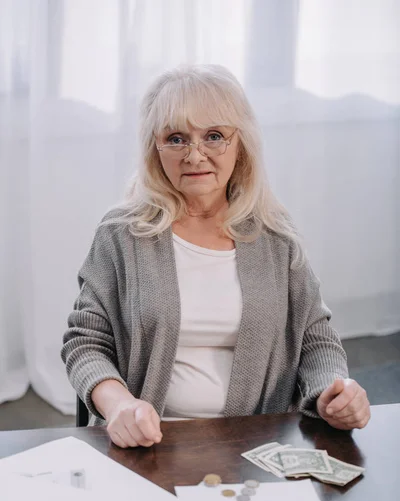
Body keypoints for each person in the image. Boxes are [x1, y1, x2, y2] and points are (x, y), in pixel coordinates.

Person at [61, 64, 370, 449]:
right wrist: (120, 404)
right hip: (148, 444)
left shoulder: (275, 235)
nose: (194, 155)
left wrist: (333, 392)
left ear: (240, 144)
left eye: (213, 136)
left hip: (258, 445)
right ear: (154, 149)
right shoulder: (121, 233)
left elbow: (315, 337)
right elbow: (85, 341)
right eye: (176, 138)